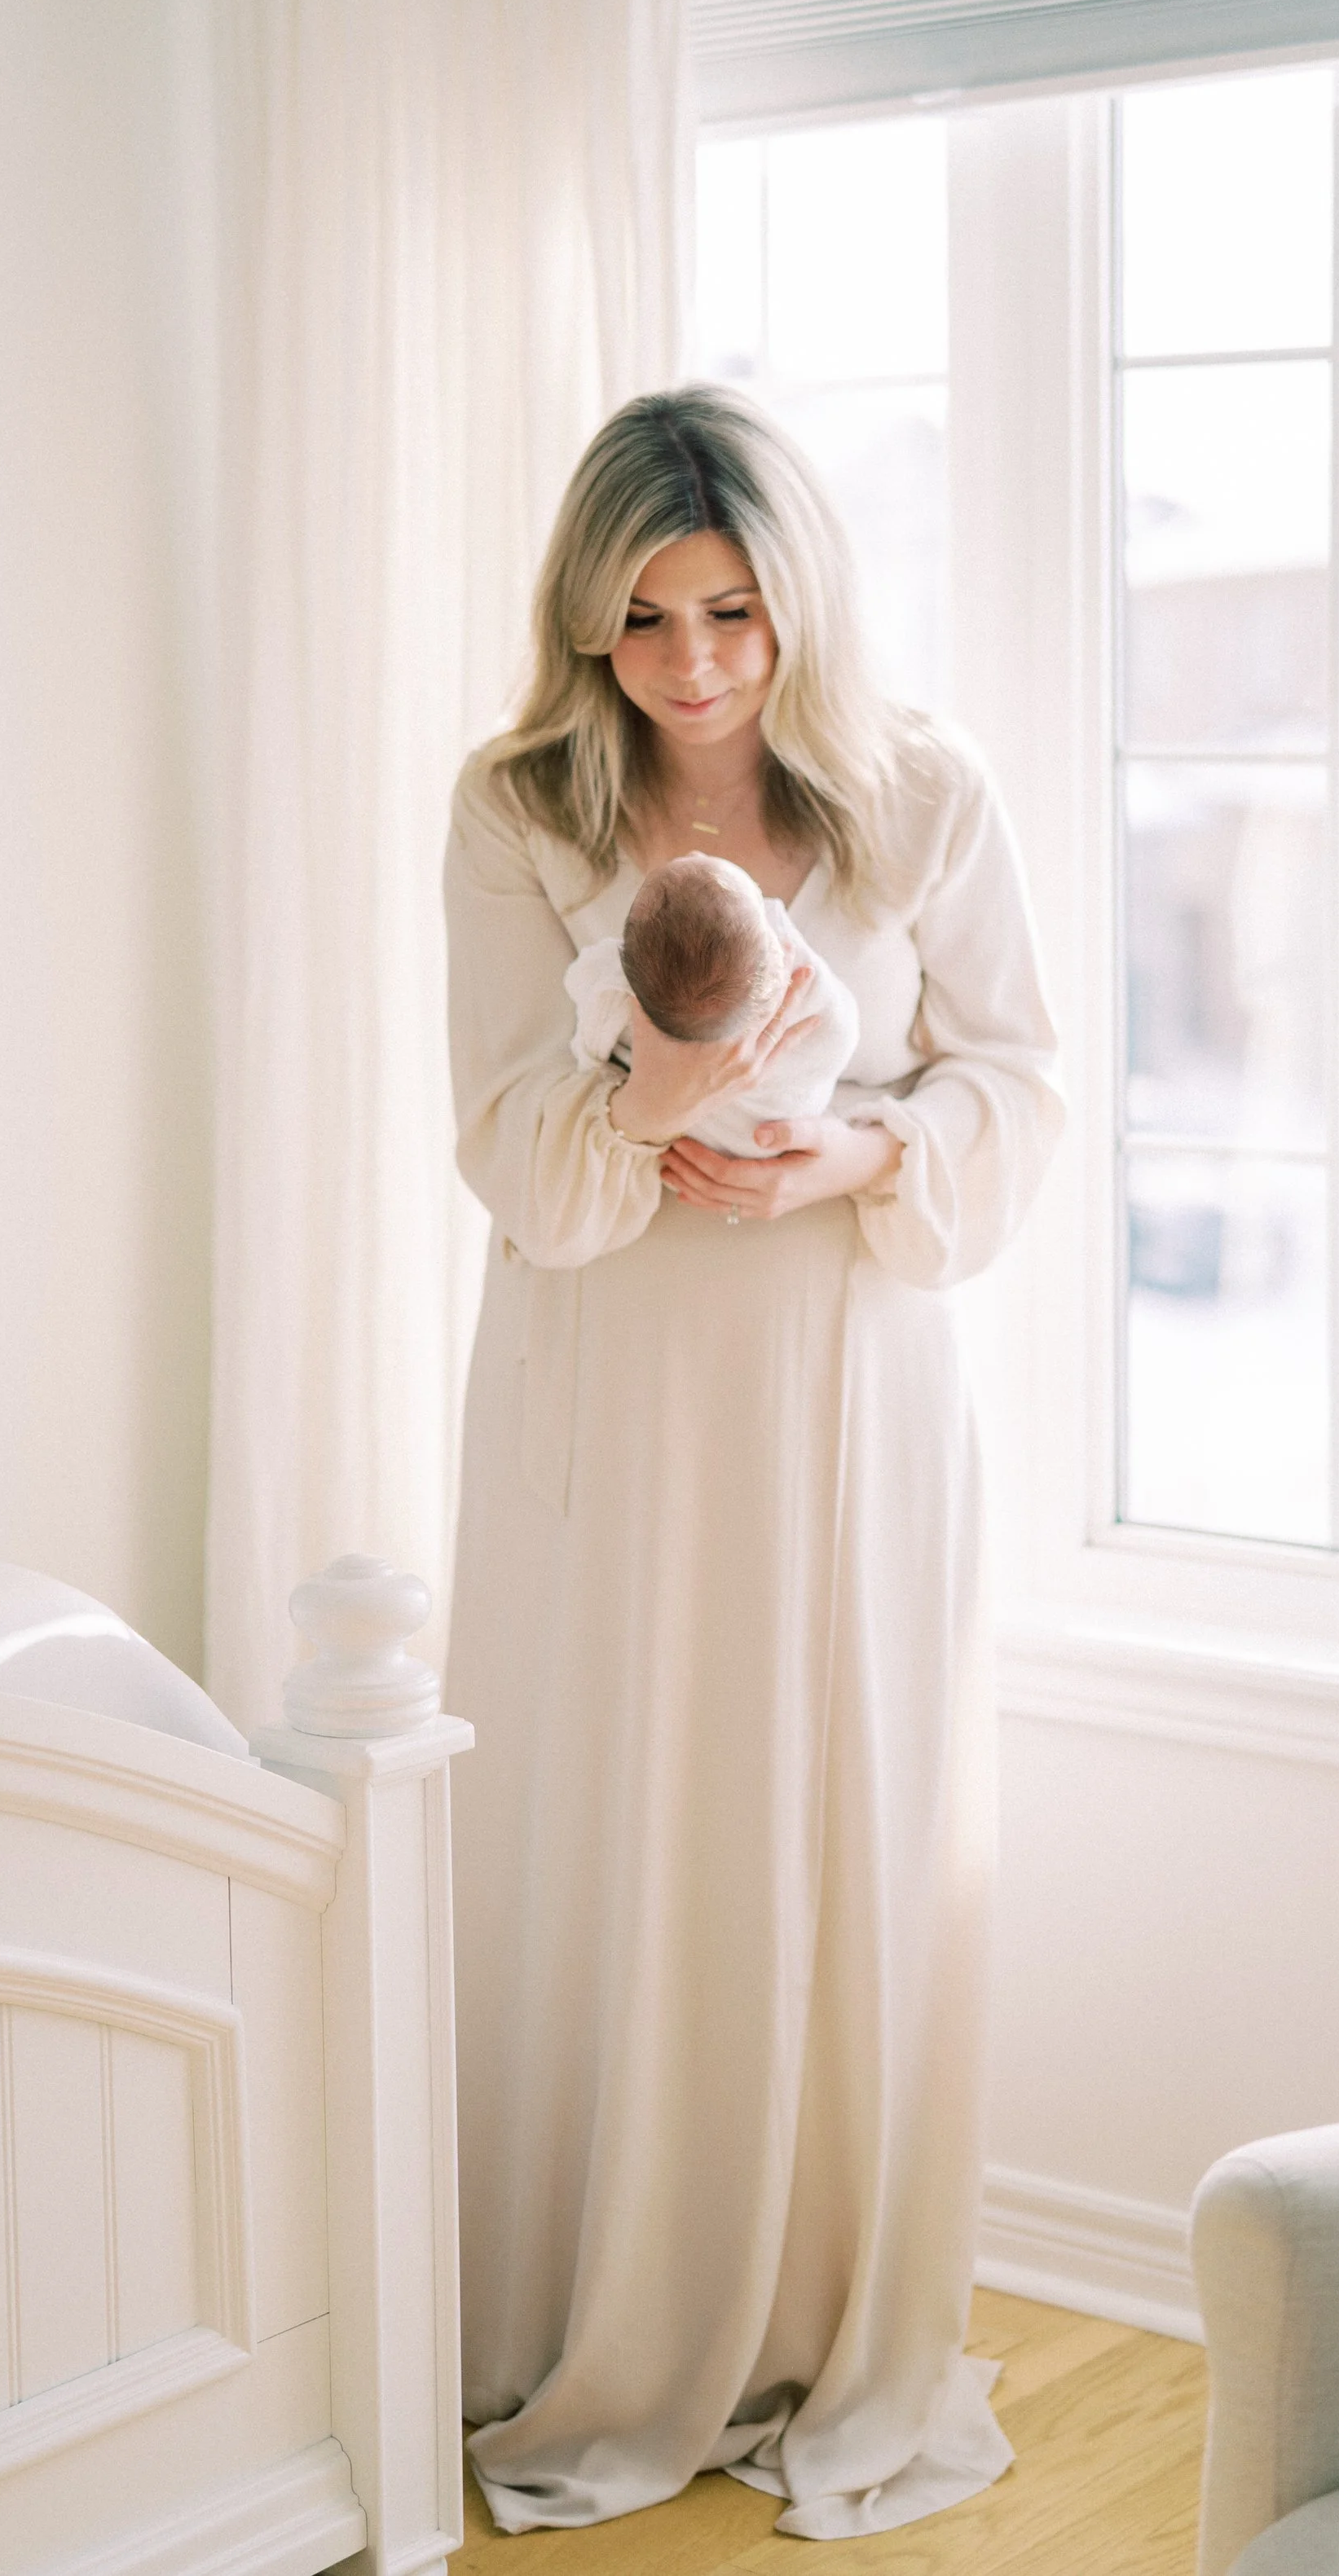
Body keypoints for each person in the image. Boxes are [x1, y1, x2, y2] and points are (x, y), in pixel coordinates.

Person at [443, 385, 1065, 2543]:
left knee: (849, 1823)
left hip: (849, 1373)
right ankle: (613, 2309)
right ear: (583, 622)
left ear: (794, 594)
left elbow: (1023, 1082)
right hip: (612, 1381)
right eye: (641, 619)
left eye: (729, 609)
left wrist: (858, 1143)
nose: (692, 660)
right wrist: (659, 1088)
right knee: (625, 1816)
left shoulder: (917, 791)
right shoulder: (521, 804)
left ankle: (821, 2319)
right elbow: (498, 1147)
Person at [564, 851, 861, 1158]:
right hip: (779, 1123)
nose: (696, 851)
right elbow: (841, 1027)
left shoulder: (614, 986)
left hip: (692, 1141)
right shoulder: (789, 959)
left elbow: (579, 981)